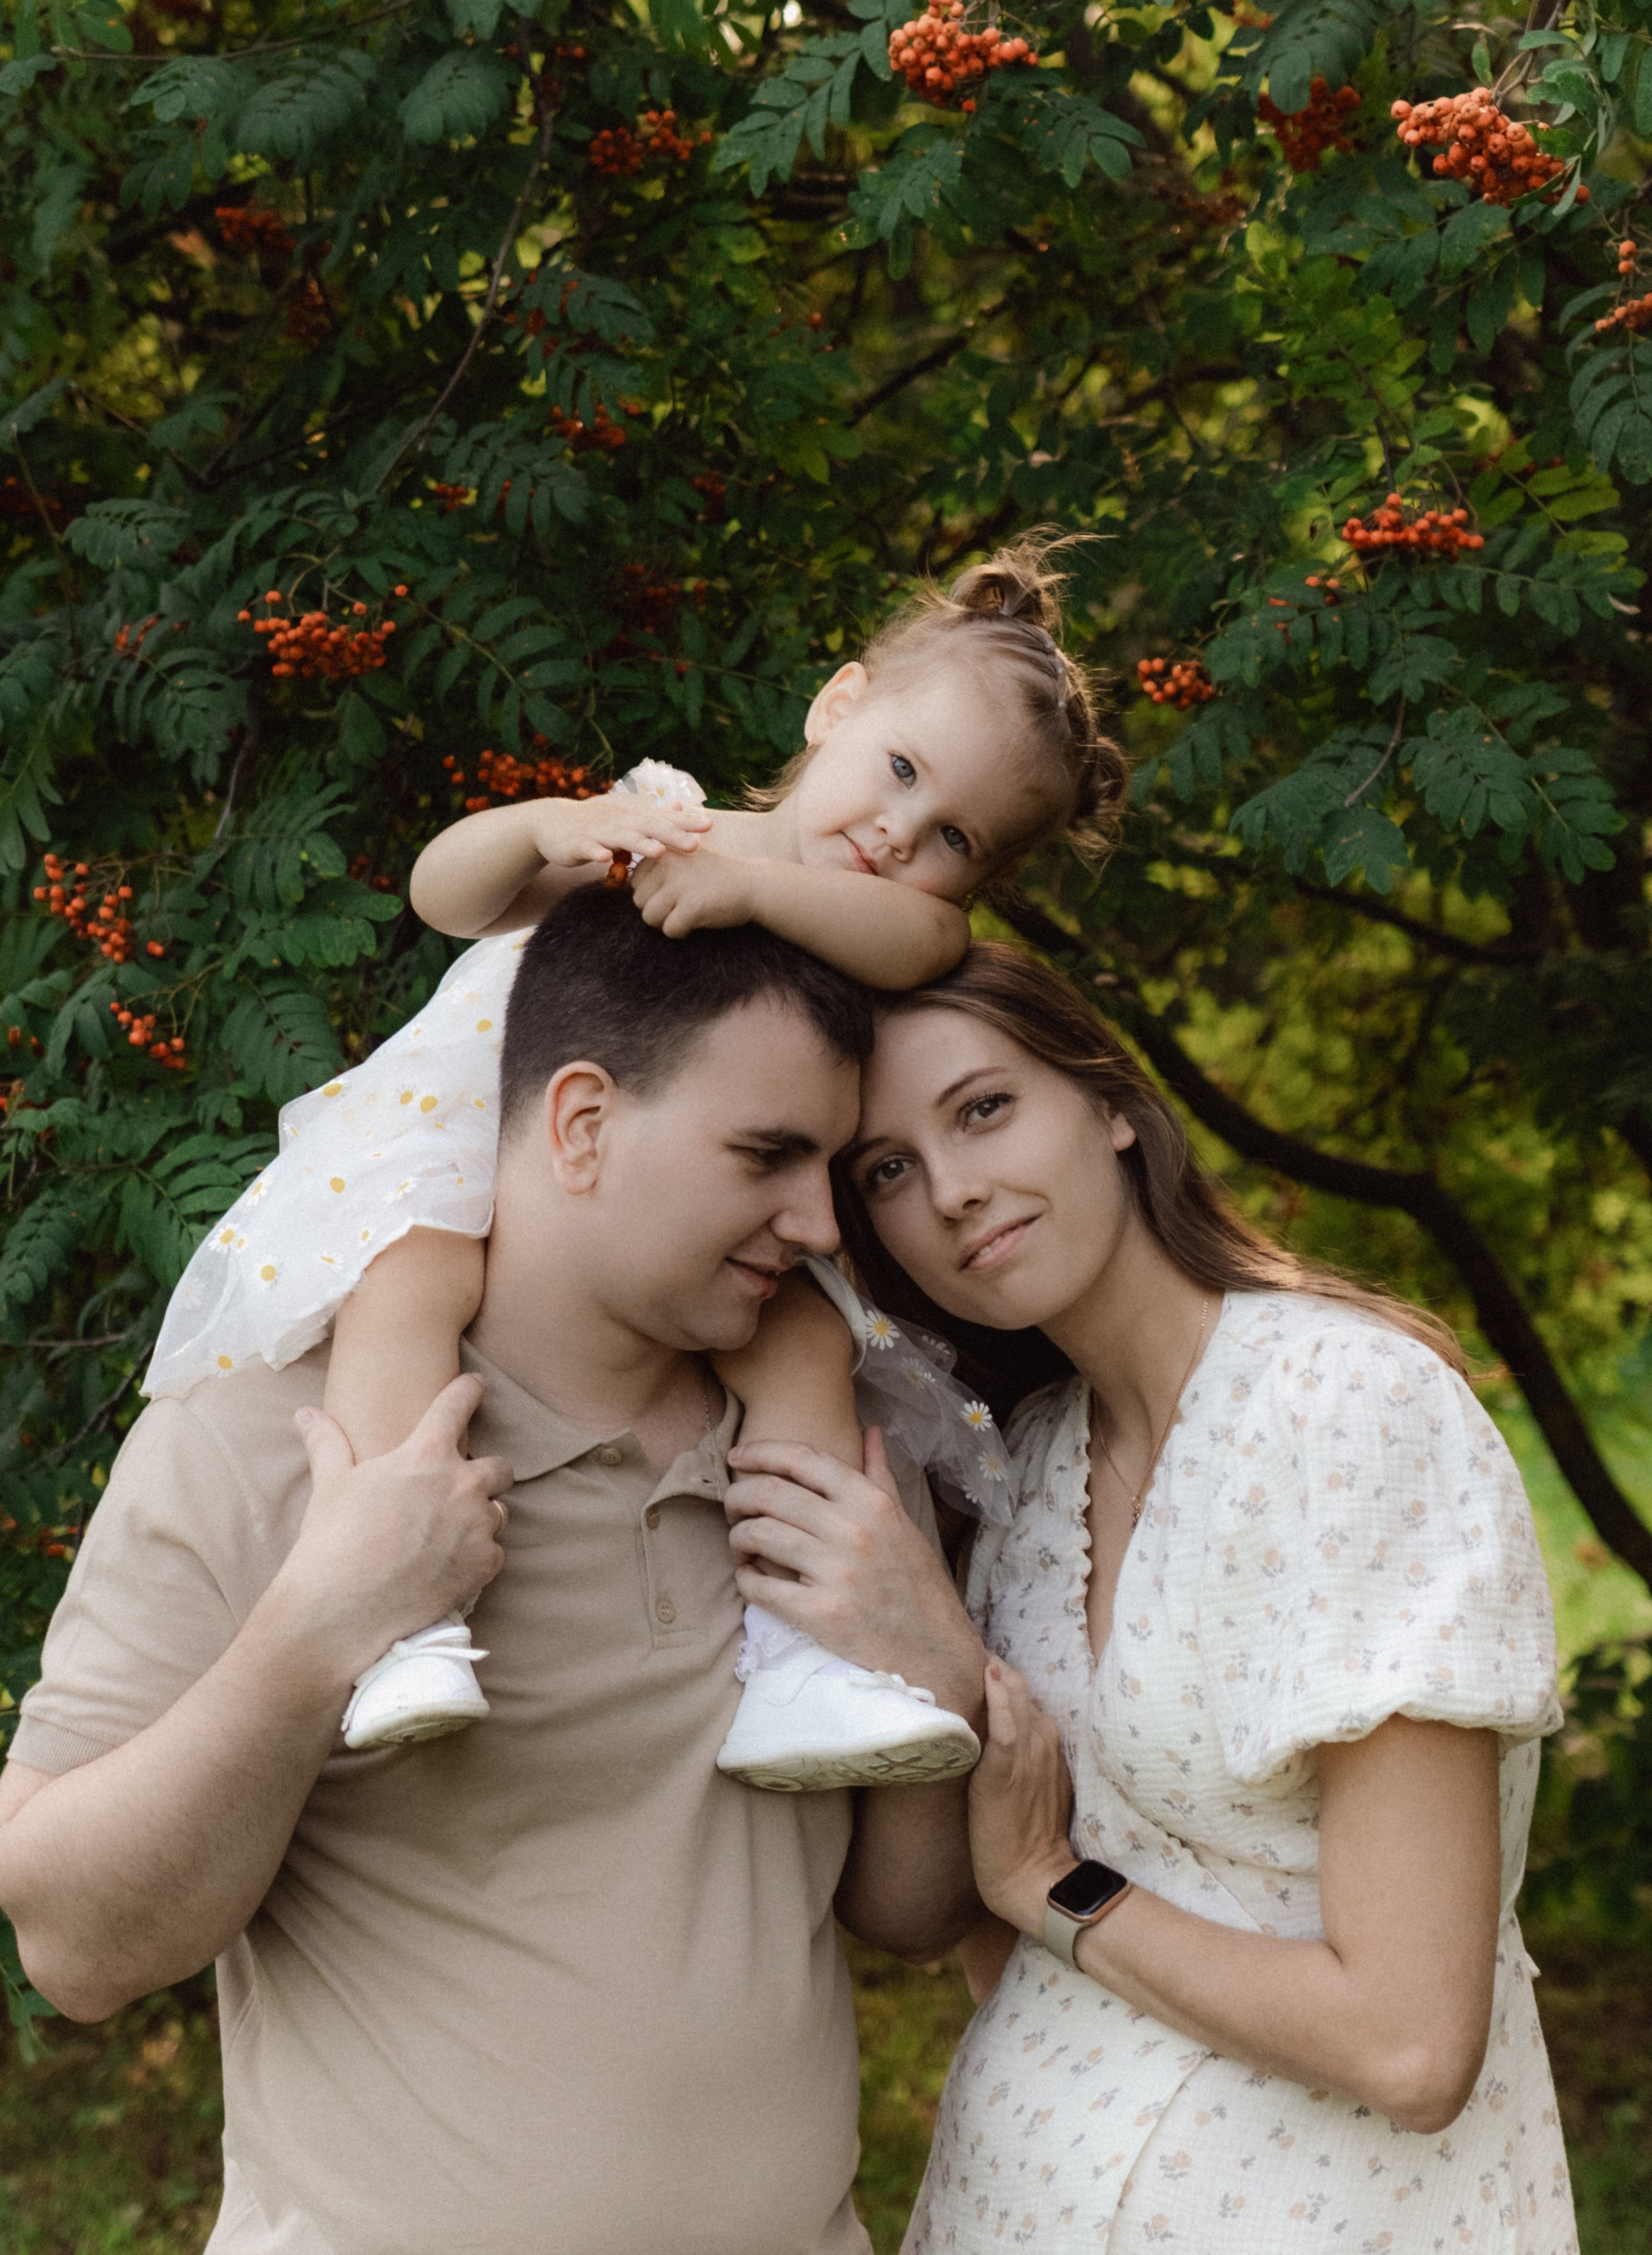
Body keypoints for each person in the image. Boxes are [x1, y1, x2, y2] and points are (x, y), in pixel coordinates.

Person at [0, 890, 991, 2255]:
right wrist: (313, 1634)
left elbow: (906, 1918)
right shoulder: (268, 1437)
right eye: (766, 1156)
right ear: (580, 1123)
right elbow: (75, 1949)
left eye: (833, 1164)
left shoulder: (832, 1462)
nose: (820, 1223)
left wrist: (938, 1679)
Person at [145, 539, 1124, 1776]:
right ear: (839, 705)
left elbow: (916, 937)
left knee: (809, 1349)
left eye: (955, 838)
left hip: (675, 1207)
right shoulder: (659, 821)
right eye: (900, 771)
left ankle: (809, 1661)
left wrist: (753, 896)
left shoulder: (890, 928)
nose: (898, 832)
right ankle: (396, 1611)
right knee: (409, 1283)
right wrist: (547, 825)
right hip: (476, 1132)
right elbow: (446, 895)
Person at [830, 943, 1578, 2254]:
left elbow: (1411, 2045)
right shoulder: (1025, 1472)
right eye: (888, 1170)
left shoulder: (1346, 1410)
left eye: (984, 1109)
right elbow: (986, 1948)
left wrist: (1055, 1885)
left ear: (1115, 1107)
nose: (950, 1191)